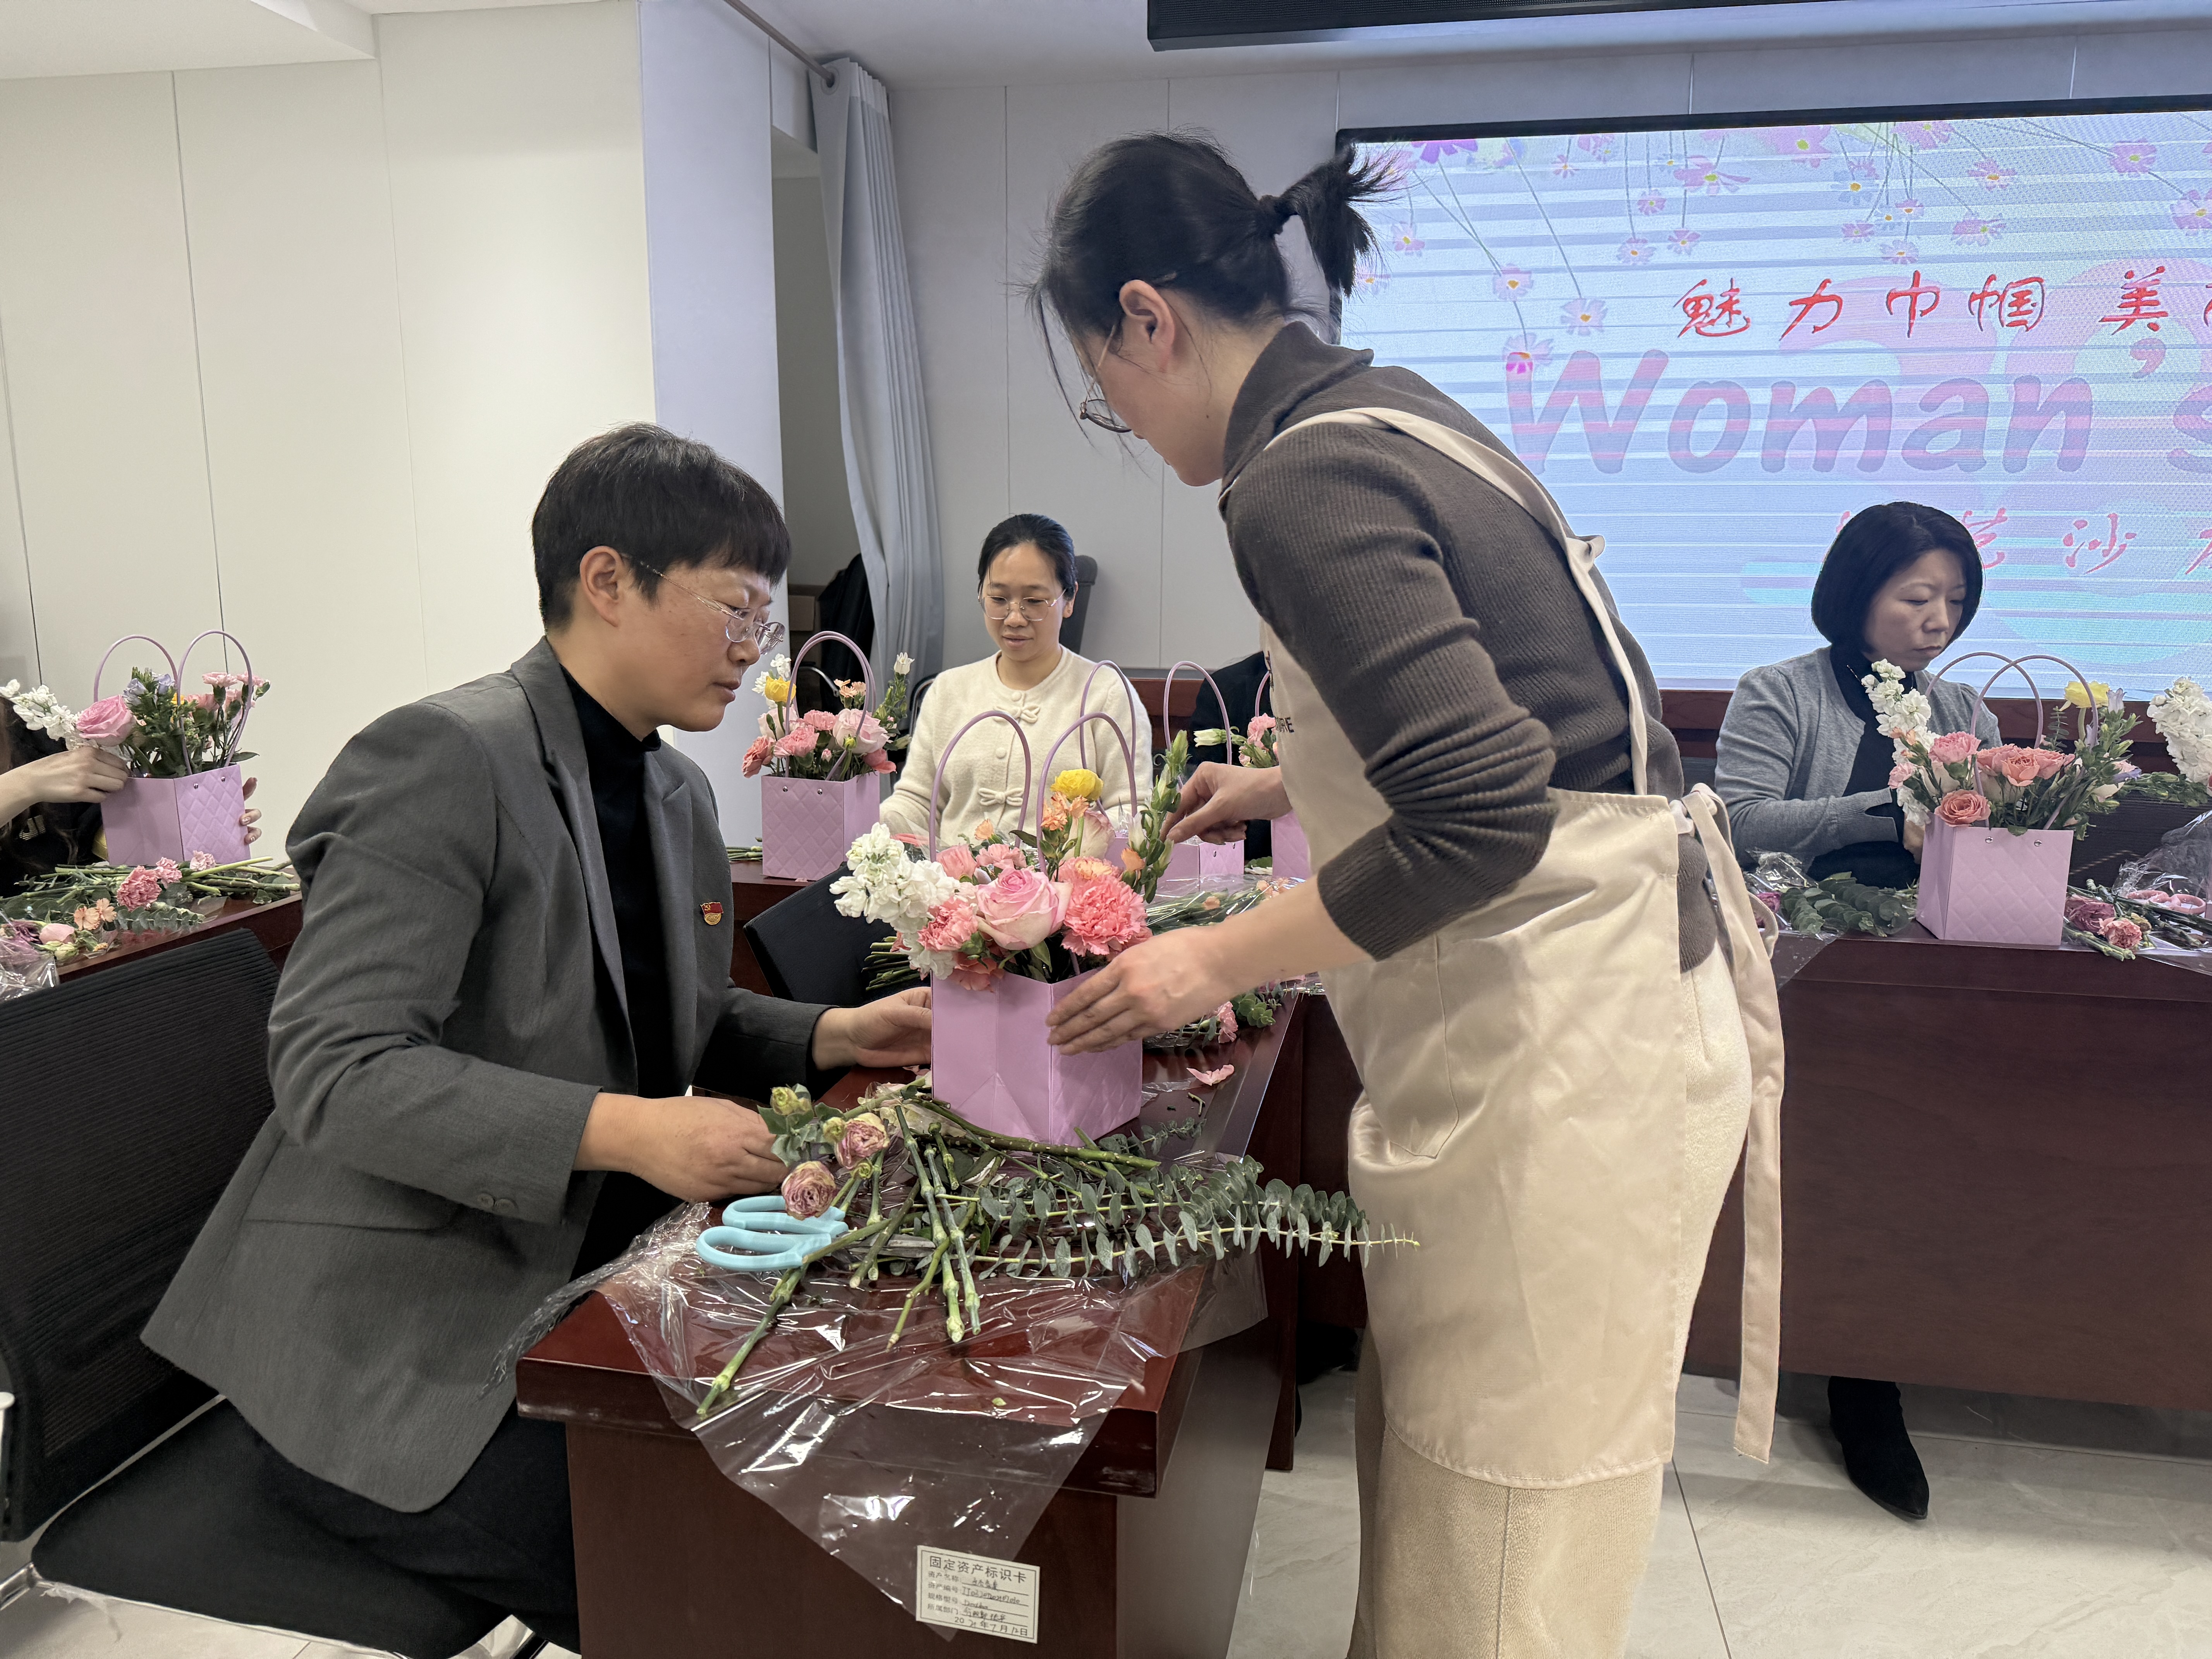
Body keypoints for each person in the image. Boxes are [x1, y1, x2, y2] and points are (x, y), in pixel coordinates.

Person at [1032, 134, 1783, 1659]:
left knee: (1496, 1550)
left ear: (1146, 319)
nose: (1122, 420)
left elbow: (1486, 811)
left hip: (1566, 1052)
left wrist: (1213, 959)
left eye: (1100, 383)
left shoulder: (1297, 476)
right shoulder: (1385, 406)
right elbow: (1541, 722)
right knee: (1456, 1496)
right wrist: (1285, 787)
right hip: (1601, 1016)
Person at [142, 424, 931, 1648]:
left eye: (764, 620)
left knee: (832, 1459)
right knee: (724, 1582)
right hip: (402, 1330)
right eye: (735, 608)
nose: (754, 648)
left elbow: (683, 1020)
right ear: (607, 580)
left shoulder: (672, 791)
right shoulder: (445, 758)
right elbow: (335, 1068)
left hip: (589, 1267)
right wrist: (629, 1131)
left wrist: (837, 1028)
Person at [1714, 500, 1998, 1522]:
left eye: (1954, 600)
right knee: (1815, 1161)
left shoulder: (1967, 711)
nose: (1939, 621)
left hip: (1927, 977)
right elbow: (1740, 822)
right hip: (1798, 970)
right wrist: (1887, 810)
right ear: (1857, 593)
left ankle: (1867, 1375)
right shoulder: (1779, 691)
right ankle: (1790, 1344)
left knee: (1904, 1166)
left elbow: (1992, 841)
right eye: (1916, 596)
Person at [879, 513, 1149, 844]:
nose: (1014, 618)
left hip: (1061, 876)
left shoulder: (1106, 694)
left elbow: (1130, 812)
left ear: (1069, 599)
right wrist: (867, 822)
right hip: (951, 874)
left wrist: (1069, 856)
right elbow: (917, 801)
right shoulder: (948, 690)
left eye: (1034, 601)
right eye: (999, 599)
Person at [0, 697, 262, 897]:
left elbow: (89, 830)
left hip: (61, 927)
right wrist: (25, 785)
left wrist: (190, 823)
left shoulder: (21, 724)